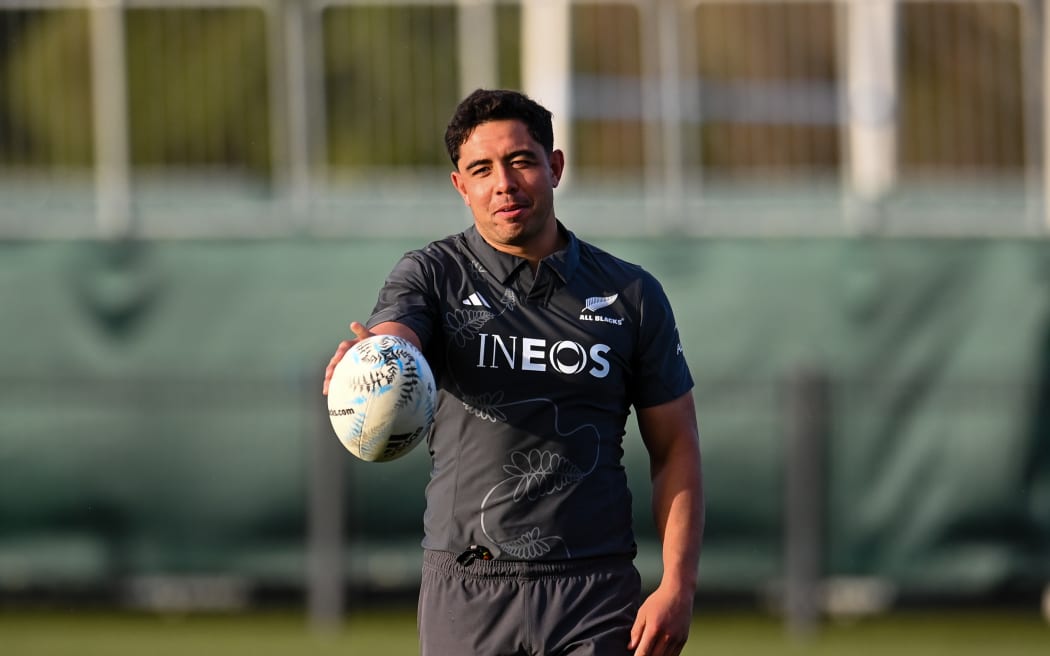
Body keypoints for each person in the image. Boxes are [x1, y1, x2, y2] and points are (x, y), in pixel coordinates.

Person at [323, 88, 704, 656]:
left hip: (594, 588)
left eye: (520, 161)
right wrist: (374, 357)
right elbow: (399, 330)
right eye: (481, 169)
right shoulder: (433, 274)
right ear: (461, 186)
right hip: (469, 579)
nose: (503, 182)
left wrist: (678, 585)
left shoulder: (630, 294)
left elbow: (676, 446)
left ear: (554, 167)